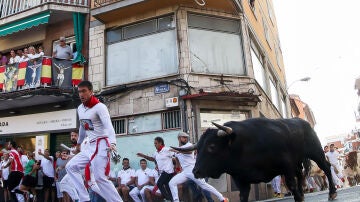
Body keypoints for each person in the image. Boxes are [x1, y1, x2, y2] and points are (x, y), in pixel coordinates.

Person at [65, 80, 122, 202]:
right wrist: (79, 144)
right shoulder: (80, 108)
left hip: (101, 144)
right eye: (79, 91)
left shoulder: (100, 107)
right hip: (89, 145)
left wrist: (113, 143)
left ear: (91, 91)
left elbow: (109, 126)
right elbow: (82, 127)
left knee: (100, 177)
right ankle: (84, 198)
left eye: (84, 91)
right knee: (70, 166)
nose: (81, 94)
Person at [169, 132, 229, 202]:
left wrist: (178, 150)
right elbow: (177, 159)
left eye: (186, 137)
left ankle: (222, 198)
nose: (185, 139)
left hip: (193, 170)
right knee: (172, 183)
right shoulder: (178, 149)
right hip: (185, 172)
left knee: (204, 186)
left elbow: (190, 152)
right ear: (179, 138)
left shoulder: (189, 145)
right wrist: (177, 168)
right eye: (184, 137)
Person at [137, 137, 175, 201]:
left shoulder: (166, 149)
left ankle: (167, 198)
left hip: (168, 171)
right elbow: (152, 159)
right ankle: (172, 199)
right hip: (162, 172)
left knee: (159, 184)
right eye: (154, 143)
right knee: (166, 185)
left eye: (156, 143)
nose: (155, 145)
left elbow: (175, 155)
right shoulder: (156, 152)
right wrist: (143, 156)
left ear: (160, 143)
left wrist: (177, 167)